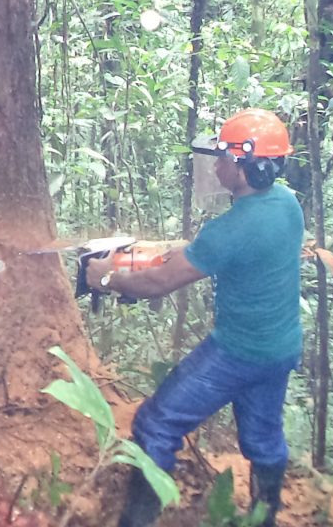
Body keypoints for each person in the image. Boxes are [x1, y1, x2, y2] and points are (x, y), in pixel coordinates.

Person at [86, 108, 304, 527]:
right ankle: (266, 518)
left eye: (224, 158)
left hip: (238, 352)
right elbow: (243, 249)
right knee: (264, 439)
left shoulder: (230, 230)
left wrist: (107, 277)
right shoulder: (287, 205)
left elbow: (158, 284)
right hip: (280, 349)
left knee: (155, 423)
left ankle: (137, 520)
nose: (217, 166)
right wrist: (185, 251)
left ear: (249, 169)